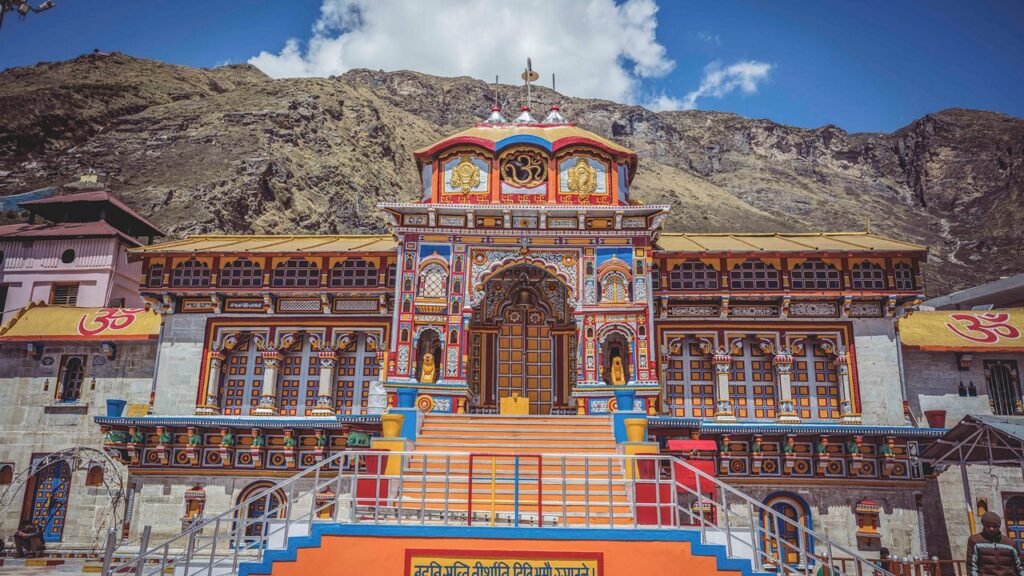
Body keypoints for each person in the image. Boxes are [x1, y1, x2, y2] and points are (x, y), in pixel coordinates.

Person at [967, 511, 1024, 576]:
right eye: (988, 526)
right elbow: (971, 566)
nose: (991, 528)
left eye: (994, 526)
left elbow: (1019, 566)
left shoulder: (1010, 543)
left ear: (999, 526)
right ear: (984, 525)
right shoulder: (975, 541)